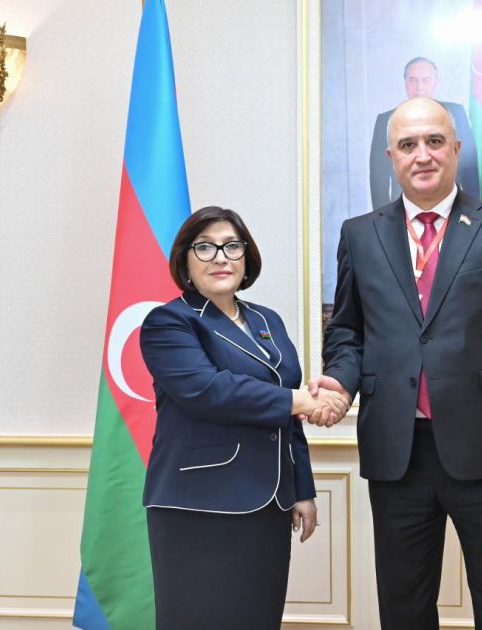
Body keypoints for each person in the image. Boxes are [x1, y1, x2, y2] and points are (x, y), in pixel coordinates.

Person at [310, 98, 482, 629]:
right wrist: (339, 382)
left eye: (433, 141)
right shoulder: (359, 234)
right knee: (404, 607)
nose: (422, 155)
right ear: (391, 157)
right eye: (407, 145)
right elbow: (349, 332)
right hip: (397, 452)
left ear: (455, 149)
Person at [140, 206, 347, 630]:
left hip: (269, 504)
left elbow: (286, 414)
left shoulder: (266, 320)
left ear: (246, 257)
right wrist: (301, 401)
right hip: (199, 504)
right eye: (205, 247)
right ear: (185, 261)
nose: (221, 257)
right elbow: (208, 391)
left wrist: (302, 490)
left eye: (232, 246)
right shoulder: (169, 322)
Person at [369, 57, 480, 210]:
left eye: (425, 80)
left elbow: (469, 171)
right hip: (402, 209)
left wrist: (474, 212)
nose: (419, 86)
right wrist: (383, 218)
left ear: (435, 82)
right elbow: (378, 180)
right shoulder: (385, 120)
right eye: (413, 80)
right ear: (405, 83)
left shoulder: (456, 113)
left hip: (452, 207)